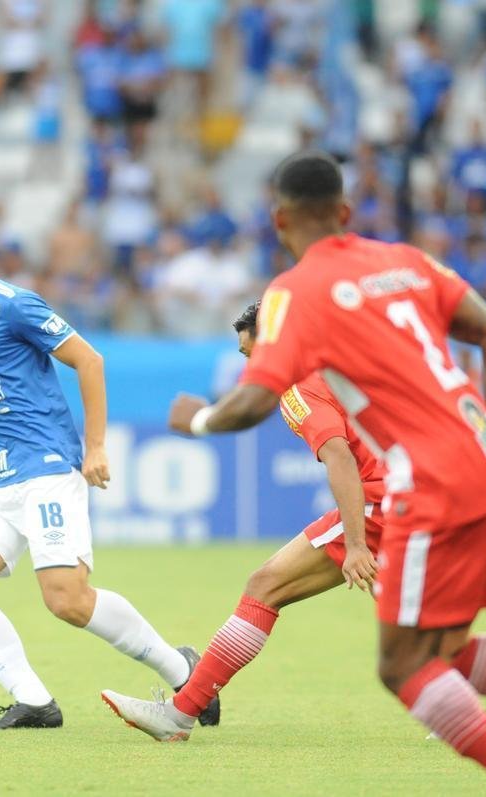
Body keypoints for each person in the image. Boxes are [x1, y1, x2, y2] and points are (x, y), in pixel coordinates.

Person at [109, 153, 486, 797]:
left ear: (279, 220)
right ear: (344, 212)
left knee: (396, 662)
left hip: (414, 485)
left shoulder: (294, 305)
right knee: (443, 654)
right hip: (483, 466)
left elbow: (285, 422)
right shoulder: (408, 262)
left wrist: (198, 421)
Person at [0, 196, 218, 729]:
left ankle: (182, 670)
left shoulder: (13, 304)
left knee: (67, 600)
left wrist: (95, 447)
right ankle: (34, 701)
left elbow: (88, 360)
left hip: (45, 470)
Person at [101, 301, 384, 739]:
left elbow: (340, 457)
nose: (250, 367)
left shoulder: (298, 388)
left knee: (264, 587)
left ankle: (179, 714)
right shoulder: (339, 362)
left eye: (252, 355)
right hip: (429, 492)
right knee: (412, 611)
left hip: (385, 501)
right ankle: (452, 708)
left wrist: (357, 542)